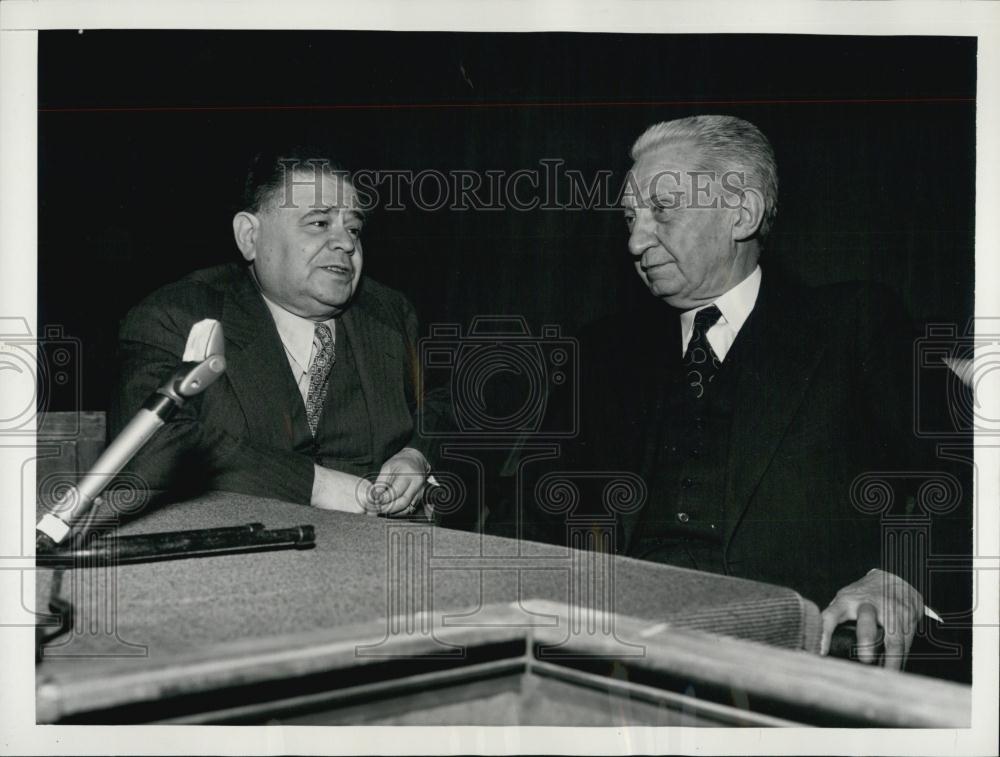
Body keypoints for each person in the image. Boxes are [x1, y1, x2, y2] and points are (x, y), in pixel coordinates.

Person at [541, 115, 962, 670]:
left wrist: (899, 575)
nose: (636, 241)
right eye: (629, 218)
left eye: (661, 210)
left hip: (797, 661)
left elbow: (966, 467)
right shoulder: (600, 352)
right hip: (618, 652)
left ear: (742, 212)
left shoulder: (854, 322)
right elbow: (529, 511)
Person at [110, 147, 450, 517]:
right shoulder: (175, 316)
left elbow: (445, 401)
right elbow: (148, 450)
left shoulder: (389, 312)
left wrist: (417, 455)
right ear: (250, 236)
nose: (347, 243)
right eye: (319, 223)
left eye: (354, 228)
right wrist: (318, 486)